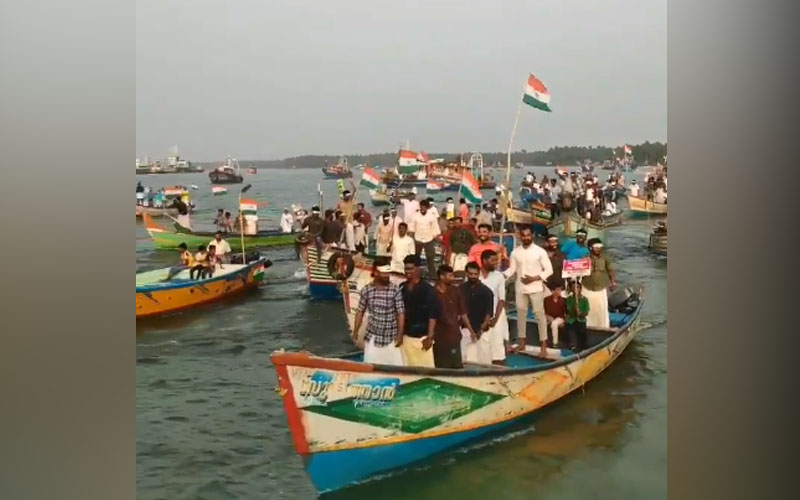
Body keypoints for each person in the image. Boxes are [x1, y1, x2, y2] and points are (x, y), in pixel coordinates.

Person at [503, 225, 553, 353]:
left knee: (539, 315)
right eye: (523, 235)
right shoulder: (515, 252)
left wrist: (534, 278)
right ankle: (522, 343)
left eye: (528, 235)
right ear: (520, 236)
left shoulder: (540, 251)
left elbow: (549, 270)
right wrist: (501, 276)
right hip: (520, 288)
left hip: (536, 288)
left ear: (532, 236)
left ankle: (543, 346)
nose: (526, 238)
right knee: (521, 314)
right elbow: (512, 270)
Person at [351, 260, 405, 365]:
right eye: (383, 273)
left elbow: (400, 313)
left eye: (388, 273)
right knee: (371, 366)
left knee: (395, 367)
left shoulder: (395, 290)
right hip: (373, 336)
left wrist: (400, 334)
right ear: (375, 272)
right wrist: (356, 330)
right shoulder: (367, 290)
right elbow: (360, 311)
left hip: (391, 337)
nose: (386, 276)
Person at [400, 255, 439, 367]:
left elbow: (433, 314)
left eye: (411, 269)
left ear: (417, 269)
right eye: (406, 269)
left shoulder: (427, 289)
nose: (408, 272)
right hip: (406, 337)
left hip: (422, 338)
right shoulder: (402, 287)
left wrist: (429, 337)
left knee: (425, 372)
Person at [433, 265, 475, 368]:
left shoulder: (456, 291)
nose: (452, 278)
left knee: (456, 366)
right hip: (439, 337)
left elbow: (463, 313)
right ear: (442, 277)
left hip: (454, 335)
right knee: (441, 366)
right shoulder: (433, 292)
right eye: (450, 276)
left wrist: (471, 331)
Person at [459, 262, 495, 364]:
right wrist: (471, 331)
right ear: (466, 273)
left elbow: (489, 313)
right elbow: (461, 311)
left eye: (475, 274)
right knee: (464, 359)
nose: (473, 276)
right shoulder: (460, 289)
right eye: (471, 274)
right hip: (465, 330)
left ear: (479, 274)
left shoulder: (487, 292)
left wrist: (481, 330)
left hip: (483, 332)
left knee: (484, 360)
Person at [480, 249, 509, 364]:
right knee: (482, 345)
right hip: (479, 315)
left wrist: (495, 319)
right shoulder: (475, 275)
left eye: (497, 260)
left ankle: (499, 367)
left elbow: (502, 299)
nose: (496, 263)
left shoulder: (499, 276)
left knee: (497, 344)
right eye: (493, 260)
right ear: (484, 261)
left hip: (496, 314)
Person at [581, 238, 616, 328]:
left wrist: (613, 282)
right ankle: (588, 327)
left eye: (600, 247)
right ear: (590, 248)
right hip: (587, 288)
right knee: (588, 310)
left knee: (601, 310)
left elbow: (611, 270)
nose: (598, 249)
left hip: (600, 289)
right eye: (596, 247)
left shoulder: (605, 258)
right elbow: (578, 272)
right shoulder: (584, 259)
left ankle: (603, 328)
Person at [408, 200, 441, 277]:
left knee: (430, 259)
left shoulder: (432, 216)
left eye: (424, 207)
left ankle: (433, 276)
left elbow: (435, 228)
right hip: (418, 240)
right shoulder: (415, 216)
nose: (422, 209)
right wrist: (411, 239)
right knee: (416, 259)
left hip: (429, 240)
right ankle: (415, 275)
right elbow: (411, 229)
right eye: (421, 207)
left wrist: (437, 238)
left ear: (427, 208)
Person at [565, 281, 590, 350]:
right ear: (571, 289)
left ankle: (584, 347)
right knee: (569, 327)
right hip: (572, 319)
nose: (576, 289)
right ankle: (571, 345)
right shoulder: (569, 299)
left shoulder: (584, 299)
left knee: (582, 330)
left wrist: (580, 313)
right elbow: (569, 311)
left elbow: (586, 312)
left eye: (577, 287)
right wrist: (574, 309)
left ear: (580, 289)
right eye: (573, 288)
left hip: (581, 320)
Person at [543, 280, 567, 347]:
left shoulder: (563, 300)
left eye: (560, 290)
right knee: (542, 322)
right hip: (549, 318)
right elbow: (543, 311)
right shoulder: (546, 300)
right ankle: (543, 342)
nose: (560, 291)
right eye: (558, 290)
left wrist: (564, 321)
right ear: (553, 291)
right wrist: (547, 316)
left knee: (554, 323)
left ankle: (555, 343)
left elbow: (566, 313)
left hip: (559, 318)